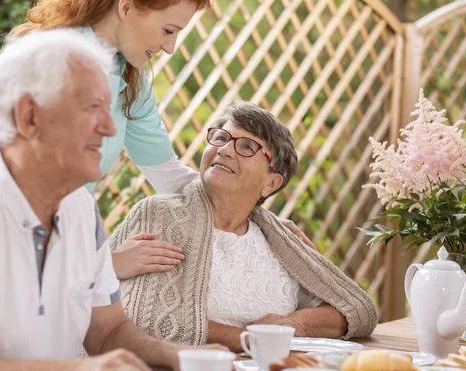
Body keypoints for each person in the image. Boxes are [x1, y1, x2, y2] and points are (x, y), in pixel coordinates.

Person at [0, 29, 222, 371]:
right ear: (29, 117)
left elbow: (107, 331)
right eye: (93, 109)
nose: (110, 129)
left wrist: (174, 354)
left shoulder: (80, 210)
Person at [7, 0, 314, 280]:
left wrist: (260, 220)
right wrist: (106, 264)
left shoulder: (129, 78)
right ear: (126, 7)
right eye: (168, 30)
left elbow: (170, 176)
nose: (170, 47)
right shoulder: (50, 63)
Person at [111, 101, 378, 350]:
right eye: (220, 138)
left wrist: (294, 325)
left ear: (272, 183)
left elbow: (357, 310)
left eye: (247, 147)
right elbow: (147, 318)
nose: (225, 149)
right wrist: (250, 338)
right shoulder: (161, 215)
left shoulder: (278, 238)